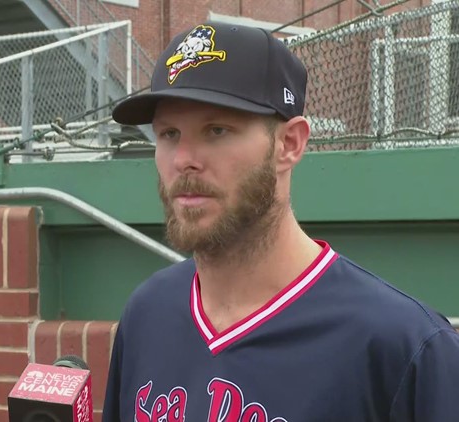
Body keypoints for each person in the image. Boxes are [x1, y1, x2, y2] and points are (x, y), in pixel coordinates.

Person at [102, 20, 459, 422]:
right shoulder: (147, 313)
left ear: (289, 144)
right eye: (168, 133)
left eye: (216, 130)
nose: (184, 158)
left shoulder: (404, 348)